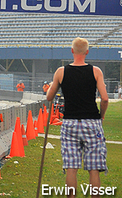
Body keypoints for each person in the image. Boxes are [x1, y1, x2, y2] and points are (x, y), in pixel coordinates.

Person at [46, 37, 108, 198]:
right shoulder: (96, 71)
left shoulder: (61, 71)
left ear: (72, 51)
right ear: (87, 52)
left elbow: (49, 97)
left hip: (70, 122)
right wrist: (101, 116)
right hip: (92, 122)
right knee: (94, 168)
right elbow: (105, 98)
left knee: (71, 167)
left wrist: (53, 87)